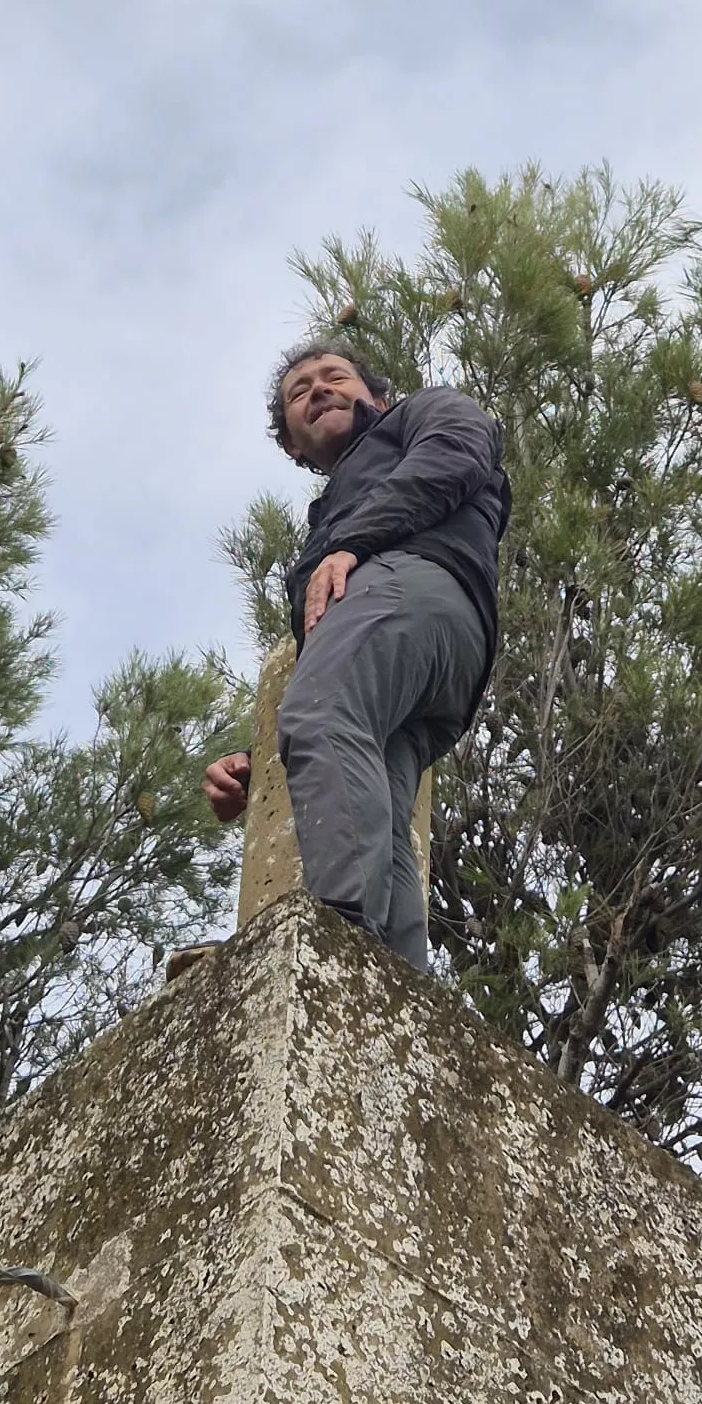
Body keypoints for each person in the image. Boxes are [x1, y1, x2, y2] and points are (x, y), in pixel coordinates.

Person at [202, 340, 510, 971]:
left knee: (323, 716)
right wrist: (258, 762)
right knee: (388, 821)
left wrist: (353, 544)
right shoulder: (331, 515)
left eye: (335, 377)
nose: (318, 389)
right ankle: (394, 986)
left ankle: (336, 946)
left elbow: (459, 450)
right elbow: (333, 665)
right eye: (299, 392)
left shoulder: (424, 412)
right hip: (433, 669)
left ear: (380, 399)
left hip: (416, 588)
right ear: (291, 446)